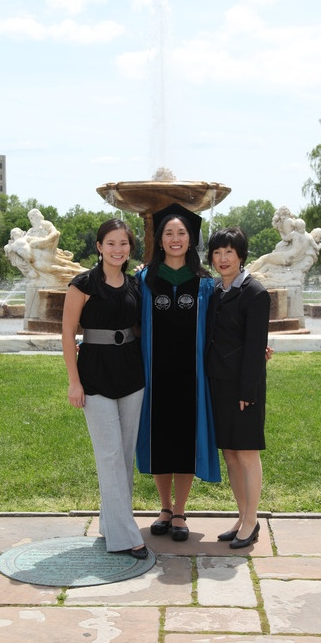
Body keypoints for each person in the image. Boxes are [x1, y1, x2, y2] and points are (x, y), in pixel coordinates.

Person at [62, 219, 148, 560]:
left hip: (132, 377)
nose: (117, 249)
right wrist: (74, 381)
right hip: (95, 377)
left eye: (123, 243)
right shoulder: (82, 284)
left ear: (130, 248)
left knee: (123, 457)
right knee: (109, 456)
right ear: (99, 246)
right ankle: (128, 536)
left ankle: (110, 526)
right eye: (111, 243)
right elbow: (67, 334)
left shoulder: (135, 285)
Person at [136, 203, 220, 542]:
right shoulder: (144, 279)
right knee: (160, 441)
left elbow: (222, 327)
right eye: (168, 233)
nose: (175, 239)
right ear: (159, 240)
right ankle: (164, 508)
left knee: (185, 440)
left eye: (181, 233)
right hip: (154, 374)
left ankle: (181, 511)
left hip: (192, 375)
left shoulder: (204, 284)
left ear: (191, 239)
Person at [205, 226, 270, 549]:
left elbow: (256, 347)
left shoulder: (255, 293)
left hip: (244, 388)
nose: (223, 258)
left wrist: (248, 391)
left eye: (229, 252)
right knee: (230, 453)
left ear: (241, 255)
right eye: (217, 252)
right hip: (218, 383)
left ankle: (252, 520)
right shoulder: (216, 291)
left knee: (246, 453)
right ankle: (243, 516)